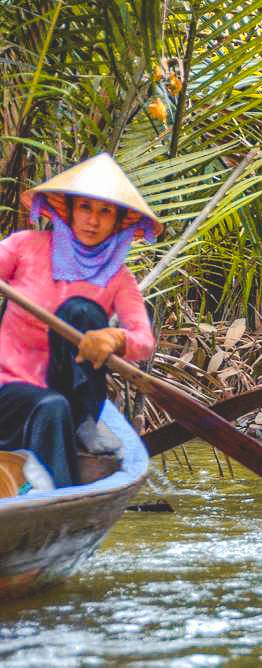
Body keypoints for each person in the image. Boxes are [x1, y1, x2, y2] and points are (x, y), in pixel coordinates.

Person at [0, 154, 160, 488]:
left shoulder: (118, 278)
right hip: (9, 387)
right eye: (85, 208)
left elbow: (143, 340)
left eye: (105, 212)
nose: (93, 220)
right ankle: (56, 499)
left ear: (117, 221)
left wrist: (115, 339)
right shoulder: (24, 247)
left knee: (82, 312)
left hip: (70, 397)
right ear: (69, 211)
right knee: (51, 407)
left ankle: (81, 426)